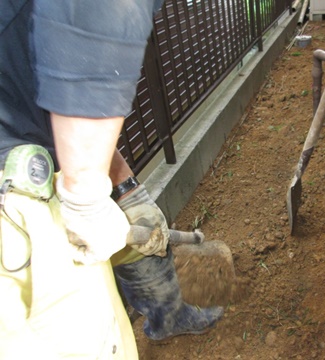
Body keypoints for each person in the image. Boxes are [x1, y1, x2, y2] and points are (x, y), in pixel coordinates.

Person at [0, 1, 222, 358]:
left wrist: (124, 187)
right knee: (86, 341)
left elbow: (66, 101)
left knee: (139, 221)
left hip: (33, 157)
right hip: (14, 208)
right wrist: (85, 199)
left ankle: (168, 318)